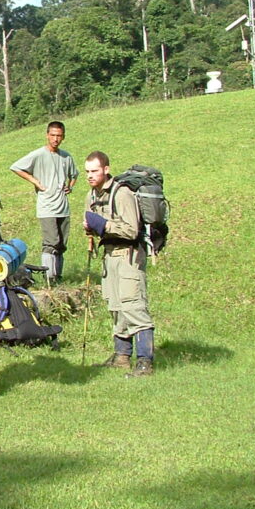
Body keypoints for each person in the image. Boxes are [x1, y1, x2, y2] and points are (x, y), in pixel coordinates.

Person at [83, 150, 155, 377]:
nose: (90, 176)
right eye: (87, 172)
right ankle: (121, 356)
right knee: (115, 306)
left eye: (94, 171)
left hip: (128, 255)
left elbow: (132, 229)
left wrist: (104, 225)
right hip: (109, 256)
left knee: (133, 305)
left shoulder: (122, 193)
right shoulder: (91, 196)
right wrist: (90, 230)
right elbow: (93, 224)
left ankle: (145, 362)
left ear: (106, 169)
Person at [9, 121, 78, 283]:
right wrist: (35, 181)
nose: (55, 139)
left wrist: (70, 187)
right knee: (51, 242)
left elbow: (74, 175)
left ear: (63, 137)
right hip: (47, 207)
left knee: (61, 244)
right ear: (47, 135)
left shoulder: (66, 156)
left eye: (59, 136)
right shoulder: (39, 154)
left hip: (63, 207)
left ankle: (58, 277)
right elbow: (16, 167)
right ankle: (49, 278)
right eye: (53, 135)